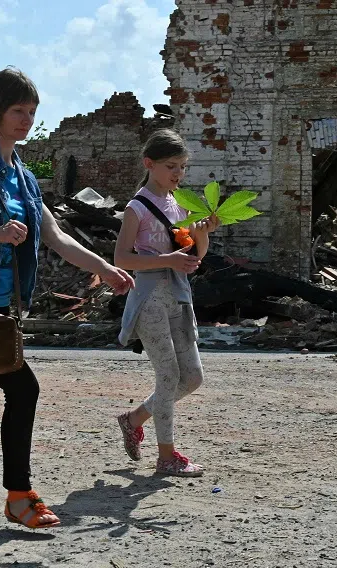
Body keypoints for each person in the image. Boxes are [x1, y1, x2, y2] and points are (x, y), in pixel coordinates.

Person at [0, 67, 134, 528]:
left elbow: (55, 236)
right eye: (18, 110)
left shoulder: (22, 175)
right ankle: (19, 496)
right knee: (25, 388)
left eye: (32, 112)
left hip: (1, 305)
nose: (27, 120)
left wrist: (104, 268)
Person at [113, 130, 221, 477]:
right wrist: (168, 261)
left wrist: (203, 234)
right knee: (168, 374)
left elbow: (193, 256)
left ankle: (134, 419)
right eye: (171, 166)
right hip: (149, 299)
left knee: (191, 378)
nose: (178, 173)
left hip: (179, 295)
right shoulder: (136, 207)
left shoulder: (181, 204)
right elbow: (122, 258)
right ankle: (166, 457)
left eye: (183, 167)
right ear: (150, 164)